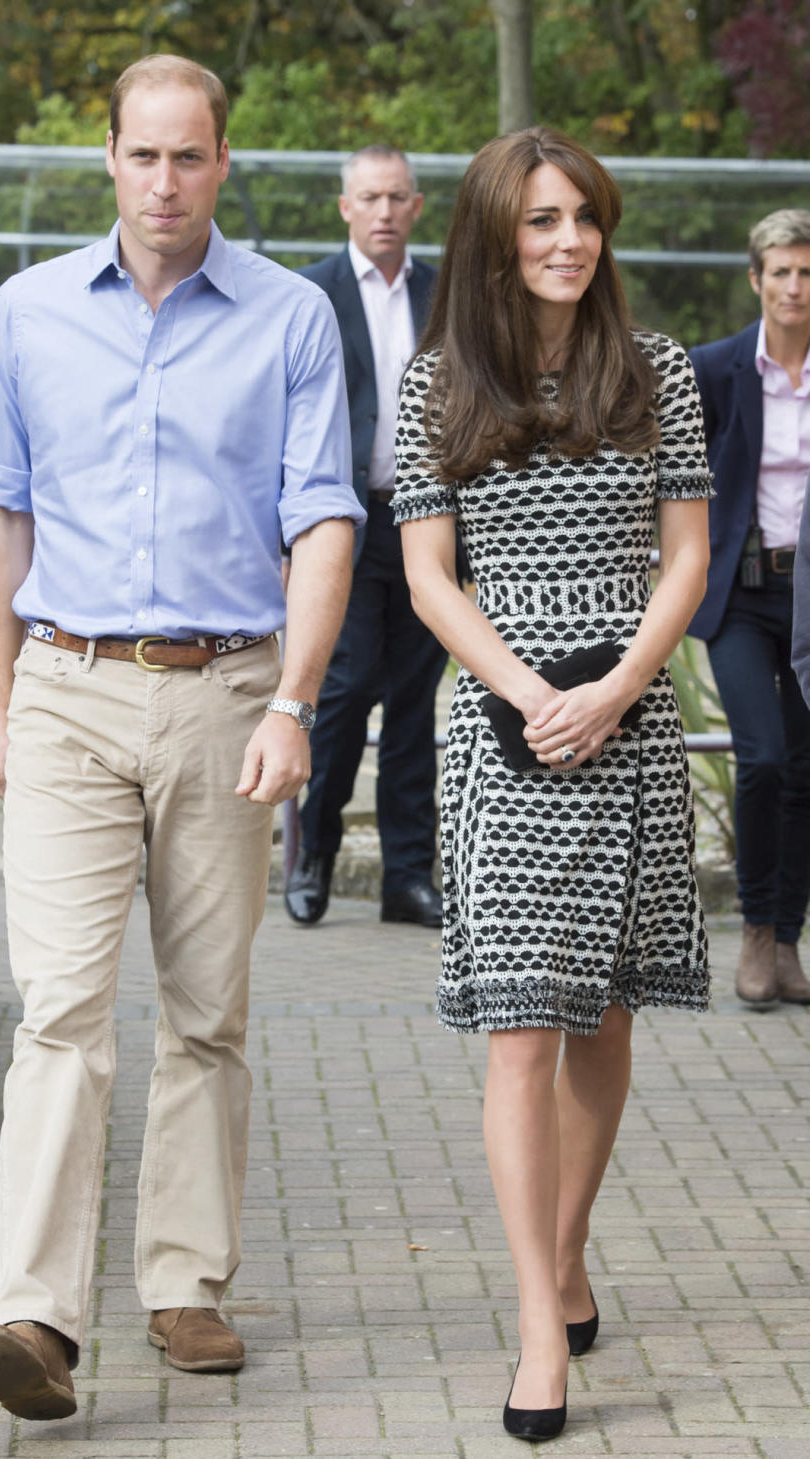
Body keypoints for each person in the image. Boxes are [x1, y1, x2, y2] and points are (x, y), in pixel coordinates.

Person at [0, 54, 362, 1422]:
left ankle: (185, 1278)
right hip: (67, 686)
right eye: (145, 155)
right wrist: (0, 698)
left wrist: (298, 701)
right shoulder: (24, 313)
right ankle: (37, 1315)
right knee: (60, 1009)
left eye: (191, 157)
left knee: (207, 1007)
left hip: (228, 691)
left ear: (224, 164)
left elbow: (323, 518)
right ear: (111, 161)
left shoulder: (293, 317)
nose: (166, 181)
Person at [393, 127, 711, 1442]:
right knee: (522, 1030)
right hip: (503, 736)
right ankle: (541, 1318)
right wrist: (530, 692)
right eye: (539, 220)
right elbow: (427, 576)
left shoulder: (659, 373)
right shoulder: (436, 386)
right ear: (492, 236)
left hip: (628, 722)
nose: (567, 239)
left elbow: (687, 551)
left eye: (583, 215)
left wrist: (621, 684)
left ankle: (568, 1246)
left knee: (606, 1020)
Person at [283, 145, 446, 929]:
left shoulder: (445, 295)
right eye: (369, 197)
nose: (384, 211)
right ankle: (314, 851)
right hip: (339, 523)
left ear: (417, 206)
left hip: (428, 522)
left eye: (397, 197)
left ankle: (407, 876)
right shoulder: (309, 292)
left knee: (416, 703)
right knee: (344, 691)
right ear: (345, 206)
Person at [687, 210, 810, 1010]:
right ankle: (754, 930)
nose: (796, 288)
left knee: (806, 769)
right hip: (739, 592)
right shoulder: (717, 368)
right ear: (755, 280)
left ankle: (788, 938)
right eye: (782, 273)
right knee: (761, 757)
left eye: (807, 274)